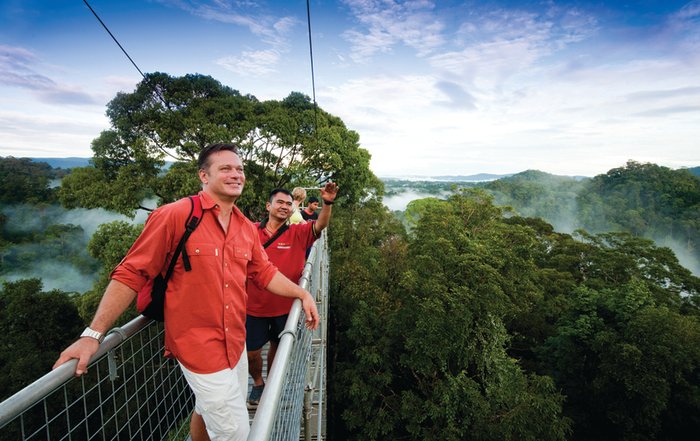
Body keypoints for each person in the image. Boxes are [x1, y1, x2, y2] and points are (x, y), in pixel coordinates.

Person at [52, 143, 319, 441]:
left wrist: (302, 293)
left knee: (205, 410)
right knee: (236, 432)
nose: (236, 174)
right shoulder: (177, 215)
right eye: (225, 168)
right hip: (198, 346)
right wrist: (92, 335)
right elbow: (131, 272)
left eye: (239, 169)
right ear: (203, 176)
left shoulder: (244, 227)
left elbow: (265, 273)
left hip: (235, 340)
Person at [245, 183, 337, 407]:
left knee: (278, 345)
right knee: (251, 352)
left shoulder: (299, 232)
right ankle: (258, 382)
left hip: (285, 307)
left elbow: (321, 225)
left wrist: (327, 203)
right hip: (253, 307)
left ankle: (272, 384)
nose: (285, 207)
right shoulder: (250, 232)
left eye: (288, 204)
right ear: (268, 206)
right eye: (280, 202)